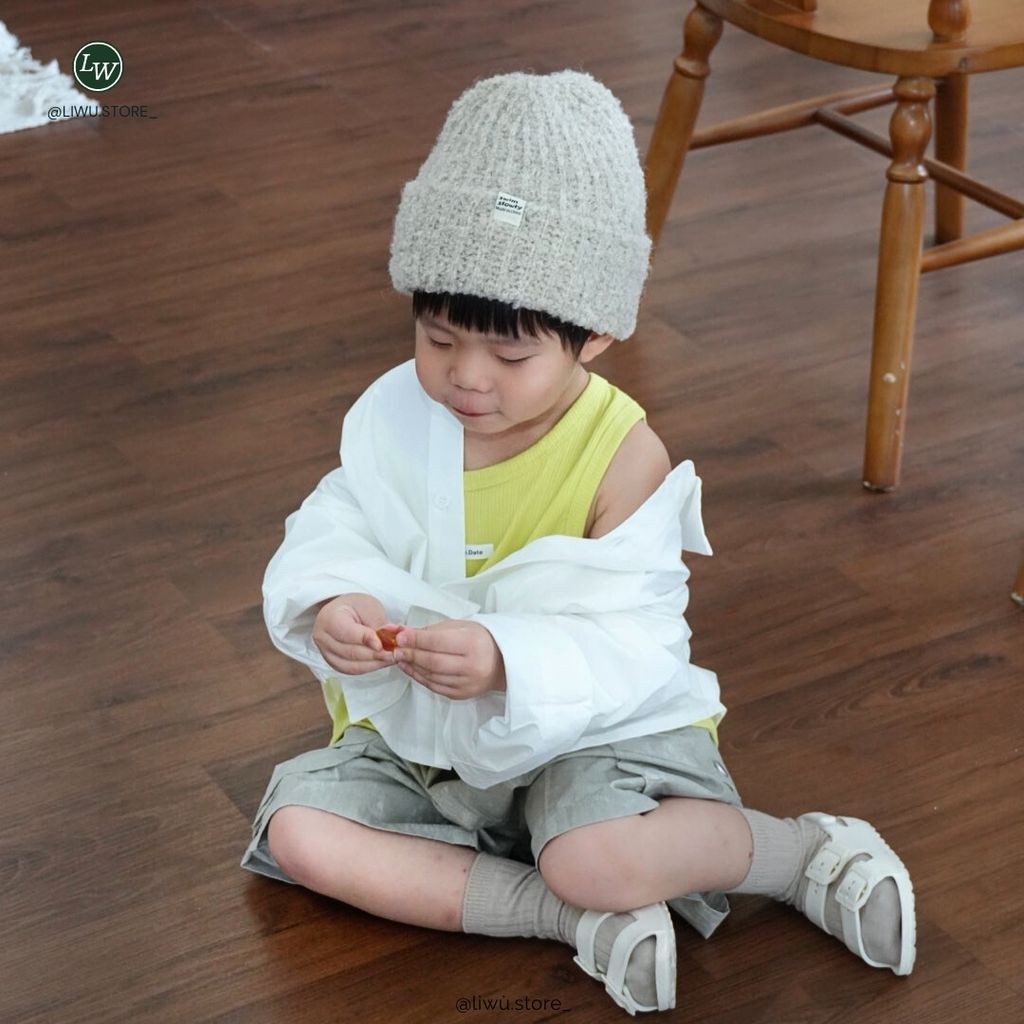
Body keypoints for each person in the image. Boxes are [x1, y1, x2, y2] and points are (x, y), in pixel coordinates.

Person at [239, 69, 915, 1014]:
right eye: (439, 338)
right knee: (300, 833)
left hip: (591, 730)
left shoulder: (622, 458)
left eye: (511, 354)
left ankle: (800, 854)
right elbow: (336, 521)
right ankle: (561, 917)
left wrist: (507, 659)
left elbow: (637, 640)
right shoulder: (397, 413)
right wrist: (335, 602)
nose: (467, 378)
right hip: (422, 742)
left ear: (594, 335)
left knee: (595, 855)